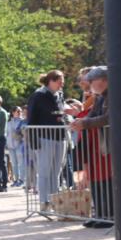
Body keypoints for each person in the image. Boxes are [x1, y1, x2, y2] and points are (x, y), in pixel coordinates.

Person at [69, 66, 113, 228]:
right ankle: (100, 214)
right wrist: (80, 121)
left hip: (108, 143)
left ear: (103, 80)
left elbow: (109, 118)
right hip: (98, 143)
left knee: (106, 180)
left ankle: (108, 215)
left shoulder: (114, 94)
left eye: (92, 81)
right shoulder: (100, 96)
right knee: (96, 179)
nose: (90, 85)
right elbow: (93, 114)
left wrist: (85, 123)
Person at [26, 70, 72, 211]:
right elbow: (31, 119)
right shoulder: (38, 96)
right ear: (50, 81)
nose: (61, 84)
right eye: (59, 82)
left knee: (56, 171)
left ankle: (54, 200)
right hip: (44, 137)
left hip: (60, 136)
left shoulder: (60, 95)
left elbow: (60, 113)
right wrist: (33, 141)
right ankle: (44, 201)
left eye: (62, 82)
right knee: (44, 171)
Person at [7, 107, 27, 188]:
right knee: (14, 164)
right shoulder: (9, 122)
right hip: (11, 146)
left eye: (20, 111)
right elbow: (7, 134)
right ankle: (16, 180)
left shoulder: (22, 121)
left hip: (19, 145)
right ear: (13, 112)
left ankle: (22, 180)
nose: (19, 112)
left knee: (21, 163)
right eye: (17, 111)